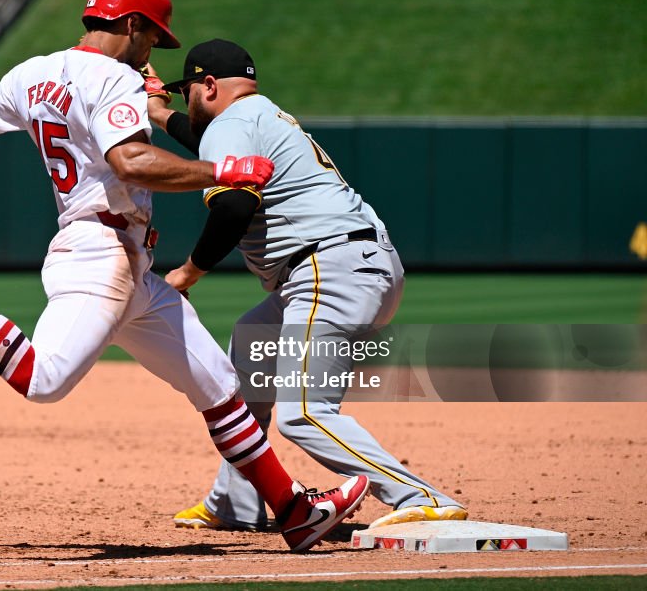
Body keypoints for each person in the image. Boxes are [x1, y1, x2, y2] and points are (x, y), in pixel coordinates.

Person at [0, 0, 369, 553]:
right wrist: (222, 170)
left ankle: (293, 511)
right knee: (44, 380)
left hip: (128, 266)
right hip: (99, 257)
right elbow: (132, 162)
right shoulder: (115, 78)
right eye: (153, 36)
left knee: (220, 386)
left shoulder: (32, 72)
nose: (153, 50)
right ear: (133, 24)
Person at [144, 39, 466, 532]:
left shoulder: (230, 125)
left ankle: (420, 496)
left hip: (327, 270)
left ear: (207, 86)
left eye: (185, 91)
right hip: (349, 262)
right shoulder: (258, 115)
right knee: (249, 351)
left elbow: (234, 206)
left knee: (303, 413)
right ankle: (236, 501)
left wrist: (187, 272)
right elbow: (208, 143)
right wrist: (160, 115)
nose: (184, 100)